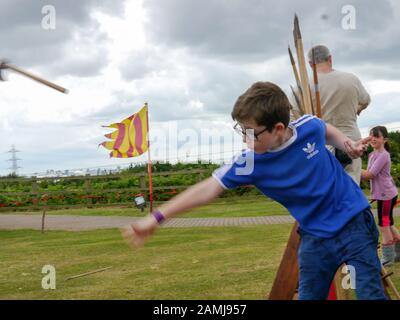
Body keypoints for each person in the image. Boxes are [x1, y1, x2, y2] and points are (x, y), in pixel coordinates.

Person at [121, 81, 386, 300]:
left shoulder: (307, 127)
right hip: (315, 238)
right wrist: (156, 218)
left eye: (251, 133)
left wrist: (346, 143)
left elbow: (325, 129)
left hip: (354, 222)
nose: (245, 139)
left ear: (278, 128)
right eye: (241, 131)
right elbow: (207, 189)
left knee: (369, 294)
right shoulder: (249, 162)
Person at [305, 45, 371, 185]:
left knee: (328, 184)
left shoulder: (305, 86)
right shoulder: (351, 79)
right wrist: (355, 109)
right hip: (351, 138)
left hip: (323, 140)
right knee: (352, 184)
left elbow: (296, 118)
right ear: (330, 59)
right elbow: (366, 100)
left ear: (310, 64)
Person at [362, 126, 400, 265]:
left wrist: (352, 170)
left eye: (376, 136)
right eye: (371, 136)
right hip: (383, 195)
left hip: (387, 196)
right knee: (388, 224)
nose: (373, 139)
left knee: (384, 225)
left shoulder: (384, 155)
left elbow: (370, 174)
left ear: (385, 139)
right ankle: (398, 253)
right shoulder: (373, 154)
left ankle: (388, 257)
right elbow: (369, 172)